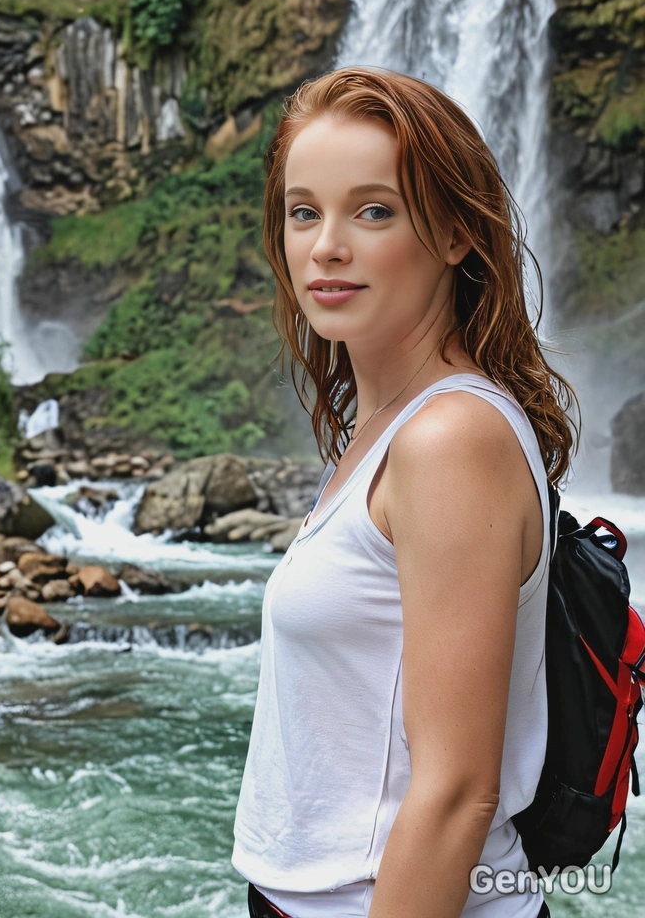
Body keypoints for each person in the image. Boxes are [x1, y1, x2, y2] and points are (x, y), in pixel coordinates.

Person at [232, 68, 577, 918]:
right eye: (304, 211)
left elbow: (460, 791)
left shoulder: (448, 441)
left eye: (374, 210)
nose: (327, 246)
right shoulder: (383, 428)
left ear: (457, 232)